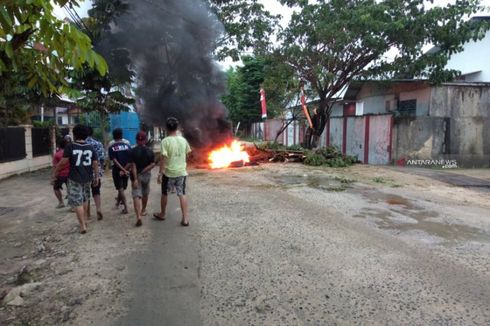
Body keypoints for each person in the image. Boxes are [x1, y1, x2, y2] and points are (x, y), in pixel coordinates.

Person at [52, 125, 99, 234]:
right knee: (85, 198)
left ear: (75, 134)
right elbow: (95, 164)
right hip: (88, 177)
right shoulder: (90, 147)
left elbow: (63, 162)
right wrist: (96, 177)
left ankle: (82, 225)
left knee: (77, 202)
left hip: (74, 178)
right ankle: (85, 219)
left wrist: (55, 173)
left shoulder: (71, 146)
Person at [154, 117, 191, 226]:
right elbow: (188, 153)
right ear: (177, 127)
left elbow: (163, 159)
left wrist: (160, 173)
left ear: (166, 128)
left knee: (164, 193)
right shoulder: (183, 140)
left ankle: (162, 214)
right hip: (181, 172)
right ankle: (185, 219)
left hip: (168, 173)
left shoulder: (165, 141)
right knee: (182, 194)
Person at [127, 131, 155, 227]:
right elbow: (152, 164)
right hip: (146, 175)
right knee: (145, 193)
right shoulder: (150, 151)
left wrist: (135, 178)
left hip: (135, 176)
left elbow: (133, 165)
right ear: (145, 140)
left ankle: (138, 216)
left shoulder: (132, 151)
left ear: (136, 140)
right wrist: (143, 171)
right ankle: (143, 210)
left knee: (136, 195)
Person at [108, 128, 131, 214]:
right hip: (127, 169)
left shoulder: (111, 147)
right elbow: (130, 160)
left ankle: (126, 207)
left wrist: (122, 169)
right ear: (122, 135)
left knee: (120, 188)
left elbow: (114, 161)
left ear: (113, 136)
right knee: (121, 188)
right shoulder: (128, 146)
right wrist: (125, 170)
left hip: (117, 170)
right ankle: (118, 203)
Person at [86, 127, 105, 220]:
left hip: (84, 172)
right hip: (96, 171)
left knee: (86, 193)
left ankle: (88, 214)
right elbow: (102, 158)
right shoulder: (98, 144)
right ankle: (98, 209)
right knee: (96, 191)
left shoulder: (80, 145)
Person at [51, 139, 70, 208]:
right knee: (70, 189)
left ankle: (61, 202)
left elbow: (55, 166)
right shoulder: (70, 153)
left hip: (60, 174)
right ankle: (71, 205)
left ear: (59, 145)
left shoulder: (57, 155)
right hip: (70, 174)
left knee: (56, 188)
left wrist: (53, 177)